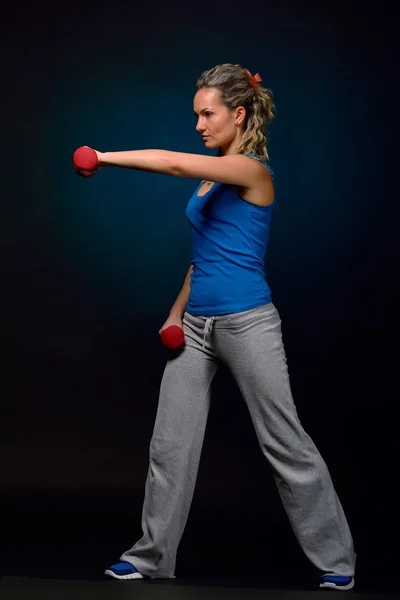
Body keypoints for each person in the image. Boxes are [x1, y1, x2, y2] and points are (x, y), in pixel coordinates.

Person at [79, 63, 356, 591]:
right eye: (196, 115)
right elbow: (203, 257)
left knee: (284, 441)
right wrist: (174, 314)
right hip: (198, 327)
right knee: (170, 444)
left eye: (208, 114)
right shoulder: (212, 176)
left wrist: (104, 158)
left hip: (249, 325)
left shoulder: (252, 171)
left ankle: (336, 559)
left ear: (239, 113)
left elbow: (170, 164)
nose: (200, 125)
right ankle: (151, 556)